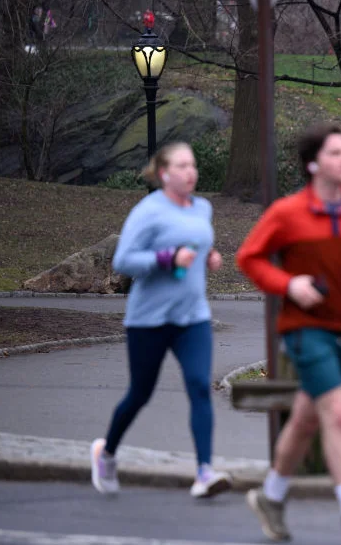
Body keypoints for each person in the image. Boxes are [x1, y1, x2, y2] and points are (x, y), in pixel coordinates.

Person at [237, 123, 341, 542]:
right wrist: (288, 284)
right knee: (337, 413)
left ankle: (271, 498)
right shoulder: (288, 212)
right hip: (303, 330)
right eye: (334, 153)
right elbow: (250, 258)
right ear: (313, 163)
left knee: (305, 419)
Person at [91, 142, 232, 499]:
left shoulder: (202, 208)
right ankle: (106, 453)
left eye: (193, 165)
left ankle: (204, 472)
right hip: (149, 320)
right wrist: (167, 259)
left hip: (193, 318)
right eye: (182, 166)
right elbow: (123, 260)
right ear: (164, 174)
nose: (191, 172)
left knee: (199, 386)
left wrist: (209, 257)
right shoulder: (148, 211)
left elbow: (196, 246)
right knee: (140, 394)